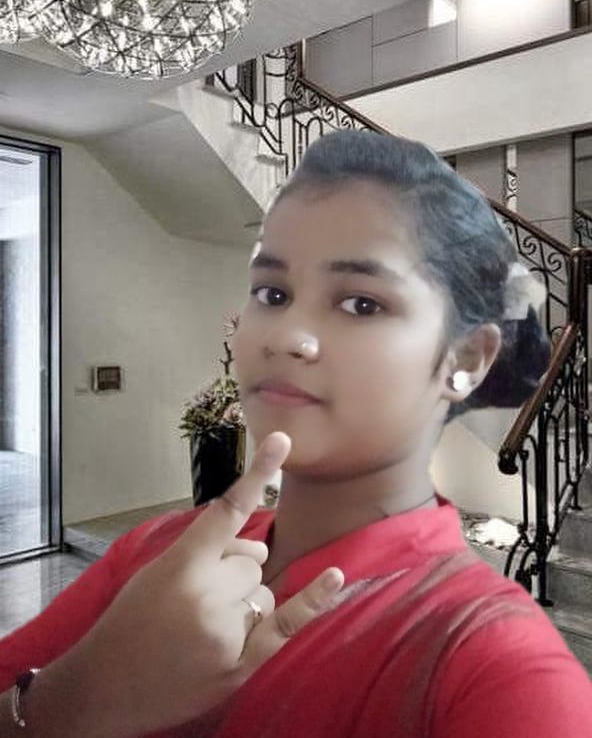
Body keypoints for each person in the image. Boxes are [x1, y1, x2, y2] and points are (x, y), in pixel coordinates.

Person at [1, 130, 591, 737]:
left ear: (466, 358)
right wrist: (80, 692)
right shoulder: (161, 551)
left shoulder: (497, 665)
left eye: (361, 303)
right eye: (272, 293)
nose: (285, 336)